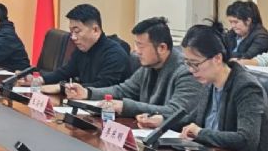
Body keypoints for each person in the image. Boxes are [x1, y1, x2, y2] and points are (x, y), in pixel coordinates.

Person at [139, 21, 268, 151]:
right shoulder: (209, 82)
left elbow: (247, 140)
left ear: (217, 58)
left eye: (195, 64)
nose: (191, 70)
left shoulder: (247, 88)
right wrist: (162, 120)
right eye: (187, 63)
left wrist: (200, 133)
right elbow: (193, 120)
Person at [65, 16, 201, 120]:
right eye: (136, 45)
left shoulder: (186, 71)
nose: (136, 51)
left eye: (141, 46)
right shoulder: (148, 67)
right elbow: (123, 90)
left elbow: (175, 112)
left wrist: (125, 106)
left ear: (162, 48)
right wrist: (87, 93)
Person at [32, 4, 130, 93]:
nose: (73, 37)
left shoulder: (115, 54)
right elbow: (66, 71)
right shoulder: (83, 49)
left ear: (95, 30)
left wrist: (61, 88)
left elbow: (103, 86)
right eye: (71, 32)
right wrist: (40, 79)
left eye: (77, 31)